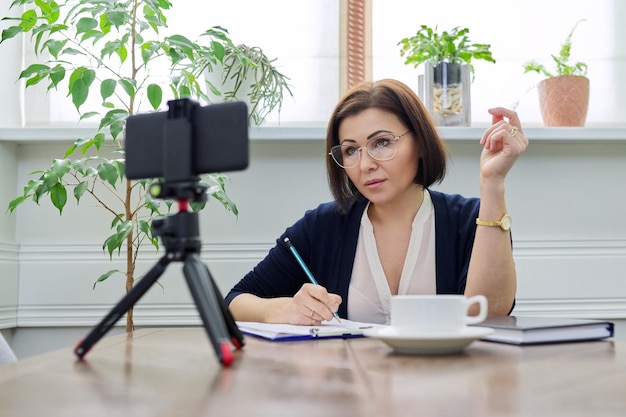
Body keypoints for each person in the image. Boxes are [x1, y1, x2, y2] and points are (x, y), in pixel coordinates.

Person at [225, 78, 528, 326]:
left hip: (449, 392)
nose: (365, 164)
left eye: (381, 142)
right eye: (351, 150)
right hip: (350, 394)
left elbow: (490, 315)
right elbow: (234, 301)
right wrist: (285, 310)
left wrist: (492, 183)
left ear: (420, 142)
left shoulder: (471, 220)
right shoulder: (322, 226)